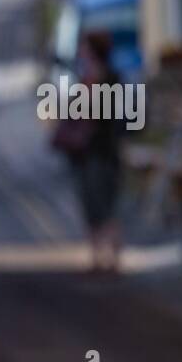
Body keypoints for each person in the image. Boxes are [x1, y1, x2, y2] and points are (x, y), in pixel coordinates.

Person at [57, 30, 124, 273]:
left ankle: (110, 258)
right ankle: (99, 257)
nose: (81, 53)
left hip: (98, 152)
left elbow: (99, 118)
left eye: (84, 48)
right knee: (93, 205)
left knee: (102, 204)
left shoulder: (101, 80)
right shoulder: (94, 78)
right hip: (91, 152)